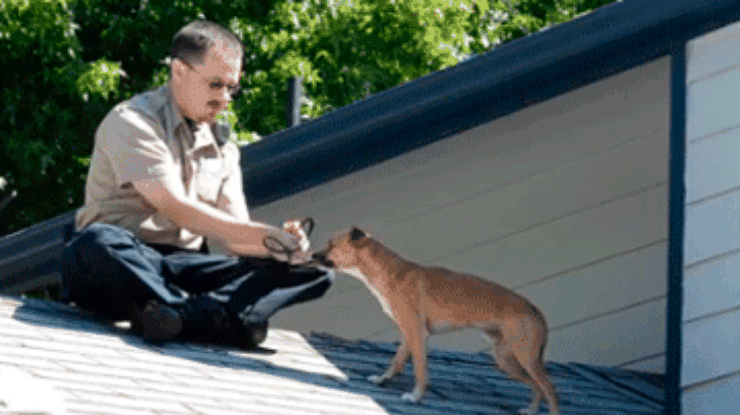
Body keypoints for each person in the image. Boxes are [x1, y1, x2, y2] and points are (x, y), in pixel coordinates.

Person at [60, 20, 333, 349]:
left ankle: (176, 316)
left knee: (315, 271)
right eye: (215, 84)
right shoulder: (132, 121)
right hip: (124, 263)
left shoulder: (224, 148)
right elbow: (175, 207)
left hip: (183, 268)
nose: (225, 98)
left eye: (232, 88)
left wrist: (284, 246)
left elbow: (238, 238)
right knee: (94, 242)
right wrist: (264, 235)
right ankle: (215, 318)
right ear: (179, 71)